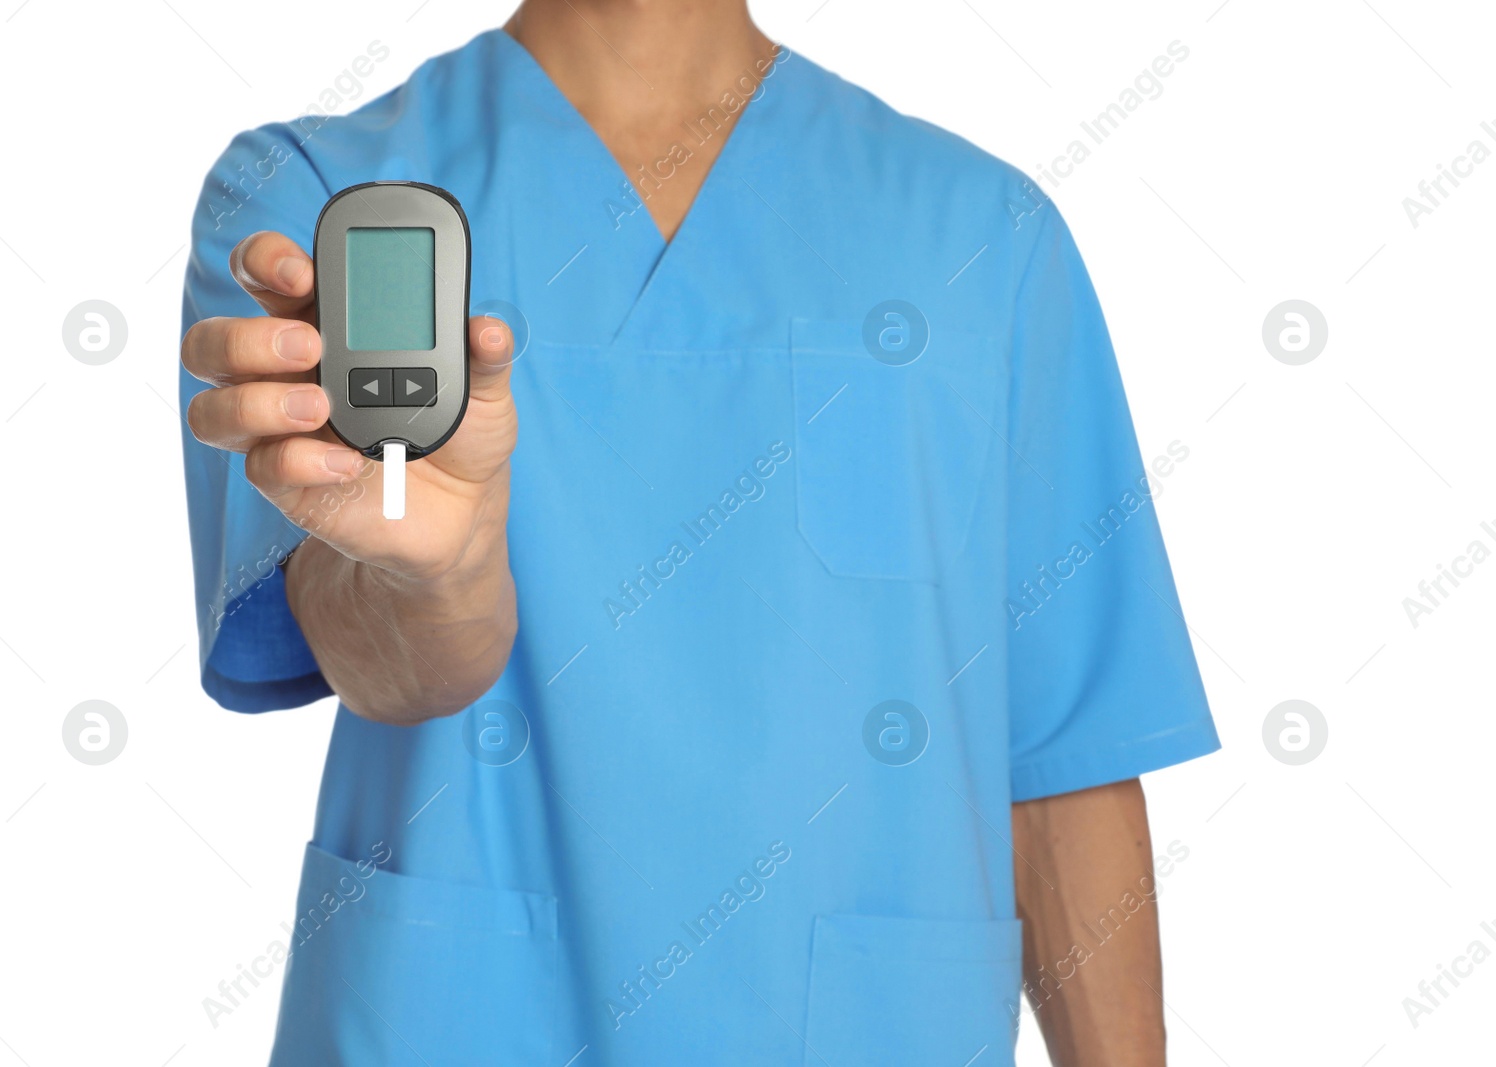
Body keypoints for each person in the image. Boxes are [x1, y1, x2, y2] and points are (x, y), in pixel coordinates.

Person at [178, 2, 1219, 1064]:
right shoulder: (320, 209)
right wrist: (438, 575)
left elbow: (1059, 749)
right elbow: (379, 658)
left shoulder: (981, 236)